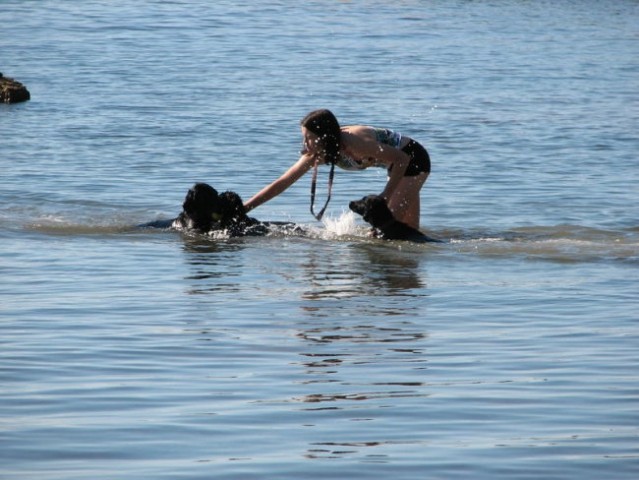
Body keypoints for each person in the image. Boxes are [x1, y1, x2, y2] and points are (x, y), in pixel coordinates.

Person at [243, 109, 430, 229]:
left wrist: (386, 195)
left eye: (309, 138)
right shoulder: (316, 153)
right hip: (397, 167)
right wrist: (245, 208)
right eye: (304, 137)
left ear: (324, 136)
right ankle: (406, 287)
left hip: (412, 160)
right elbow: (282, 182)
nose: (304, 143)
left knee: (386, 230)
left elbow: (402, 159)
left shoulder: (355, 142)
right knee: (410, 231)